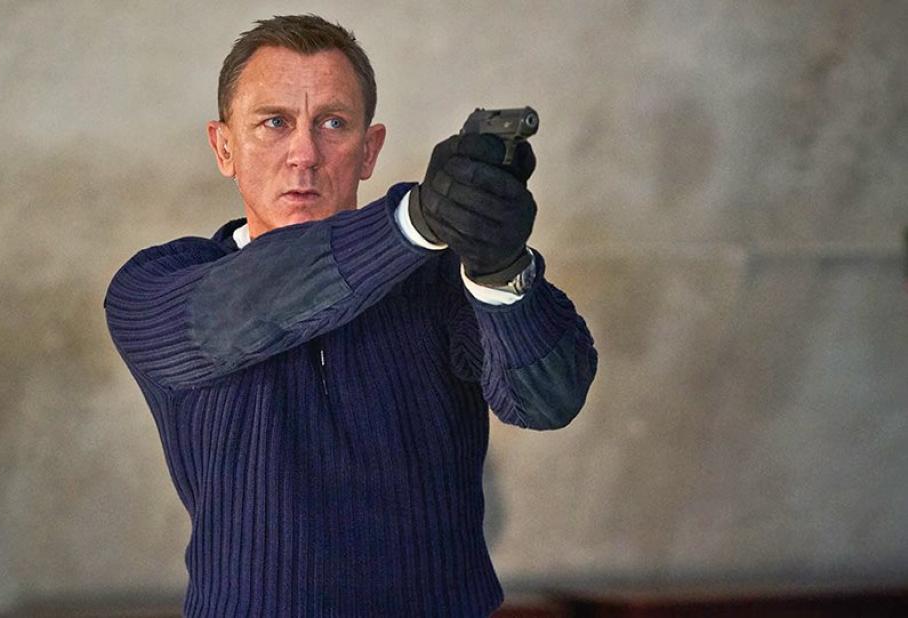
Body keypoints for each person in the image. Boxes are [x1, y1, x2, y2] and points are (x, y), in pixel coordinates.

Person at [104, 14, 597, 617]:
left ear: (369, 150)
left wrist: (499, 268)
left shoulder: (441, 278)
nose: (304, 155)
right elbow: (233, 312)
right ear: (224, 147)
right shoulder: (155, 286)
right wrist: (414, 220)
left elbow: (548, 401)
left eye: (332, 123)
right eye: (274, 123)